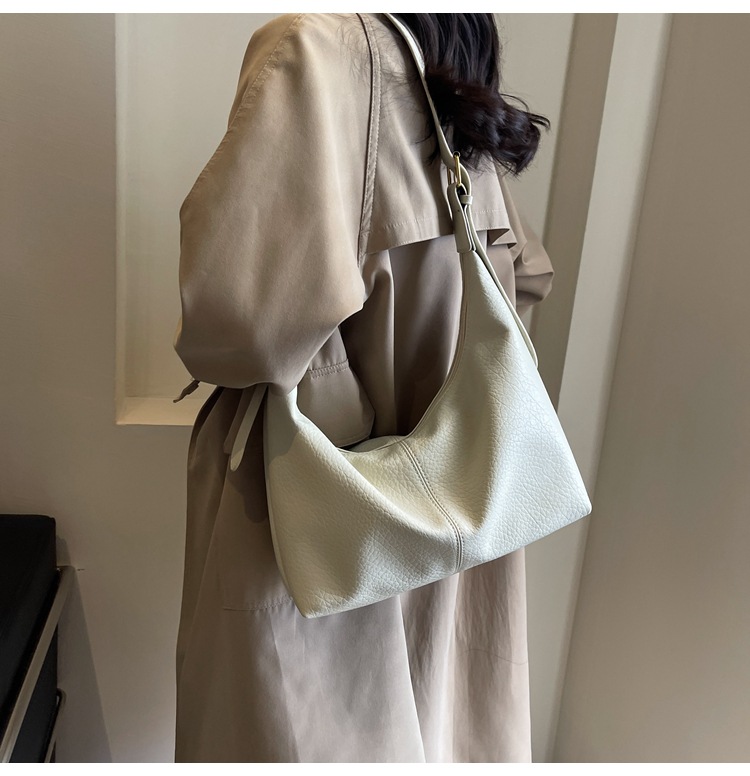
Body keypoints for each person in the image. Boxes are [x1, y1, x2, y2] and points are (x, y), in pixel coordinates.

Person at [172, 12, 555, 763]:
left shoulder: (315, 50)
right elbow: (528, 275)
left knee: (304, 723)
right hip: (459, 500)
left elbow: (237, 318)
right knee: (439, 721)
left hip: (318, 493)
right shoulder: (450, 56)